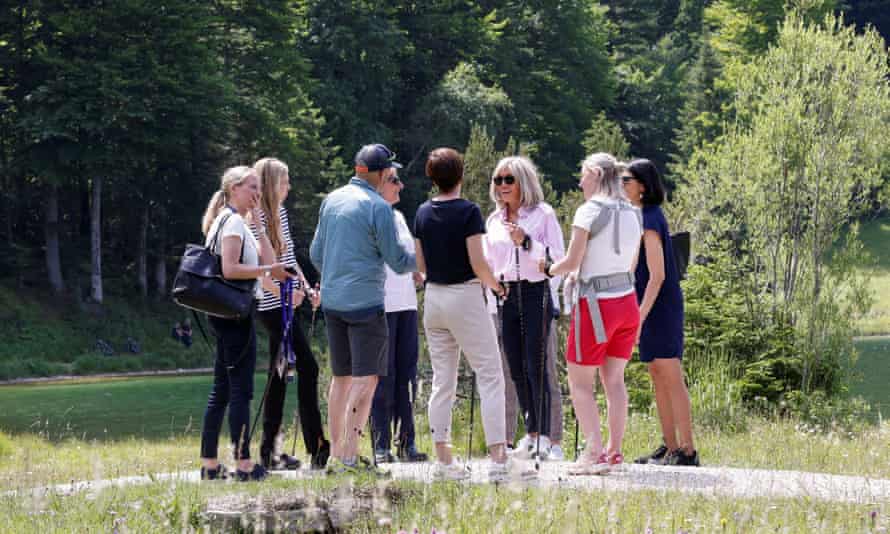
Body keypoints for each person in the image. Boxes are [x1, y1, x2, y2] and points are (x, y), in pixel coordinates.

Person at [414, 147, 524, 482]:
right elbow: (478, 262)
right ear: (460, 175)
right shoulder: (468, 211)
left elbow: (420, 265)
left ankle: (444, 460)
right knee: (490, 375)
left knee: (442, 380)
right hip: (464, 296)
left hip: (434, 298)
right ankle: (498, 459)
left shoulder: (422, 212)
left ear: (432, 178)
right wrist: (497, 287)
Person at [310, 143, 416, 476]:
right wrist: (424, 260)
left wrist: (337, 275)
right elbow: (397, 260)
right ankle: (349, 457)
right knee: (367, 379)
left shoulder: (331, 200)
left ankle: (335, 456)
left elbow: (315, 254)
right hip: (366, 304)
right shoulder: (379, 207)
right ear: (382, 173)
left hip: (333, 303)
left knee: (340, 378)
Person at [539, 153, 642, 475]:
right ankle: (614, 451)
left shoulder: (589, 210)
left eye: (583, 175)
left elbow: (572, 261)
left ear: (596, 173)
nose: (580, 181)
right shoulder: (633, 211)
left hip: (597, 306)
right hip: (627, 301)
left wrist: (548, 269)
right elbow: (630, 263)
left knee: (580, 383)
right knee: (614, 379)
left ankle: (593, 452)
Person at [198, 165, 293, 482]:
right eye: (252, 187)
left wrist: (260, 227)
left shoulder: (231, 220)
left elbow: (268, 260)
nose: (257, 193)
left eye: (258, 187)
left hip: (225, 314)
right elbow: (230, 268)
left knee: (223, 389)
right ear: (234, 188)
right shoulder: (233, 223)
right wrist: (266, 270)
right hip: (235, 316)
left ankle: (210, 464)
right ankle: (244, 465)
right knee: (241, 390)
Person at [484, 156, 565, 460]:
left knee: (537, 364)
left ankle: (546, 436)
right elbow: (489, 261)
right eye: (498, 180)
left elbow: (559, 258)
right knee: (516, 367)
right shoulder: (493, 220)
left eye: (509, 179)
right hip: (505, 294)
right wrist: (491, 287)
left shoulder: (543, 214)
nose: (502, 185)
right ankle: (531, 433)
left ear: (524, 182)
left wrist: (527, 241)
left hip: (535, 291)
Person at [253, 157, 331, 472]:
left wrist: (306, 288)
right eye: (284, 182)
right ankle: (317, 447)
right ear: (272, 184)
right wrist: (284, 294)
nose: (289, 187)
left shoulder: (280, 214)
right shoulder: (256, 218)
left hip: (287, 303)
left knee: (280, 376)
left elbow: (288, 258)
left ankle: (269, 451)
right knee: (308, 367)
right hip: (272, 306)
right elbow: (260, 271)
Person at [621, 159, 699, 467]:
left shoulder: (651, 218)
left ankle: (688, 450)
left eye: (627, 180)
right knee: (656, 372)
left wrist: (638, 317)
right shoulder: (641, 217)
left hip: (660, 307)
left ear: (642, 186)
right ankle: (669, 446)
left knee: (671, 374)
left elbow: (658, 275)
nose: (622, 185)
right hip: (646, 304)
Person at [370, 170, 428, 464]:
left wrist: (416, 272)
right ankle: (380, 445)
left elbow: (406, 255)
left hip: (406, 305)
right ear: (379, 184)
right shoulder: (370, 215)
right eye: (394, 180)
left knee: (407, 375)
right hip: (381, 304)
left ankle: (407, 442)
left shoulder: (399, 217)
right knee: (384, 377)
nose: (401, 185)